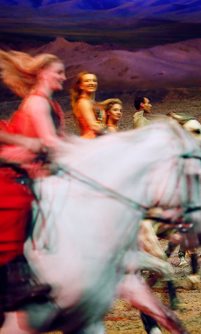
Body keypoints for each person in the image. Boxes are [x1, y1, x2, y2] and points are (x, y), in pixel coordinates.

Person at [0, 50, 67, 312]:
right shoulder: (37, 103)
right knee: (17, 201)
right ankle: (14, 278)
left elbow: (55, 141)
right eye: (59, 72)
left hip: (31, 164)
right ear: (42, 73)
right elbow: (49, 143)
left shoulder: (49, 103)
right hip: (17, 167)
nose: (63, 77)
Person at [71, 71, 106, 138]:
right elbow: (94, 126)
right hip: (90, 141)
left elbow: (100, 122)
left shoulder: (92, 102)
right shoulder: (83, 102)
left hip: (97, 140)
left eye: (94, 81)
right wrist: (112, 135)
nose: (91, 83)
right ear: (81, 86)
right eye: (87, 81)